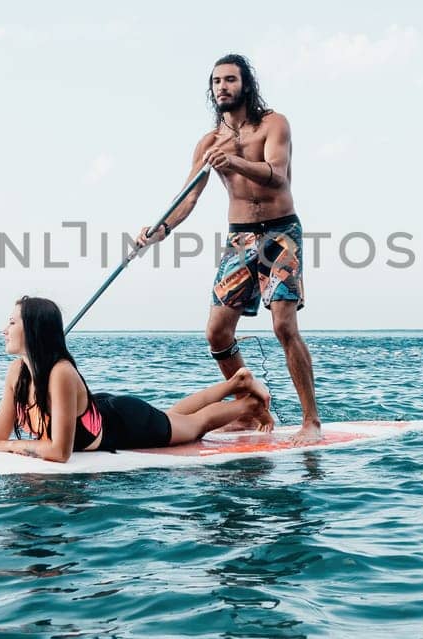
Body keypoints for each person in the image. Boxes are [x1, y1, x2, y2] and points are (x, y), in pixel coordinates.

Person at [135, 54, 322, 443]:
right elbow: (188, 199)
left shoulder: (273, 124)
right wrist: (159, 231)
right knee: (217, 333)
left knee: (284, 326)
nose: (223, 87)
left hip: (279, 232)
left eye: (230, 80)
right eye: (217, 81)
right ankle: (251, 407)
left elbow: (277, 176)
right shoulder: (208, 142)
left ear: (245, 84)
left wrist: (234, 160)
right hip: (240, 238)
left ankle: (311, 421)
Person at [0, 296, 270, 462]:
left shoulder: (60, 373)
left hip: (124, 422)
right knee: (173, 416)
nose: (3, 329)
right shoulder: (18, 372)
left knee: (194, 425)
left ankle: (250, 400)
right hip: (103, 412)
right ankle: (234, 383)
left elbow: (59, 452)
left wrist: (3, 448)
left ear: (33, 330)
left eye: (11, 322)